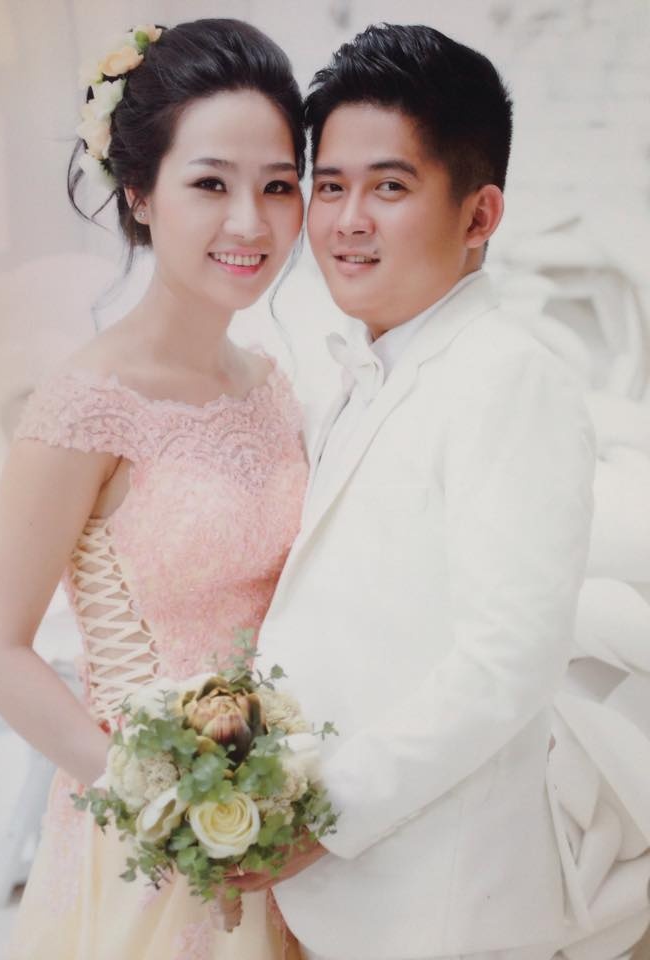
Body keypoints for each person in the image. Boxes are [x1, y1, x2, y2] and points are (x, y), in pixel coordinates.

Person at [230, 23, 596, 960]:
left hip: (442, 909)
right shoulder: (361, 369)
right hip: (348, 898)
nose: (348, 220)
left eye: (389, 188)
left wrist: (321, 813)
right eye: (329, 187)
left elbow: (508, 661)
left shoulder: (509, 376)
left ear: (480, 215)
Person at [0, 18, 308, 960]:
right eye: (211, 184)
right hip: (154, 843)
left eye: (279, 185)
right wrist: (155, 799)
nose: (251, 222)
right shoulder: (86, 406)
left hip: (286, 834)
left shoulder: (273, 383)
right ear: (141, 193)